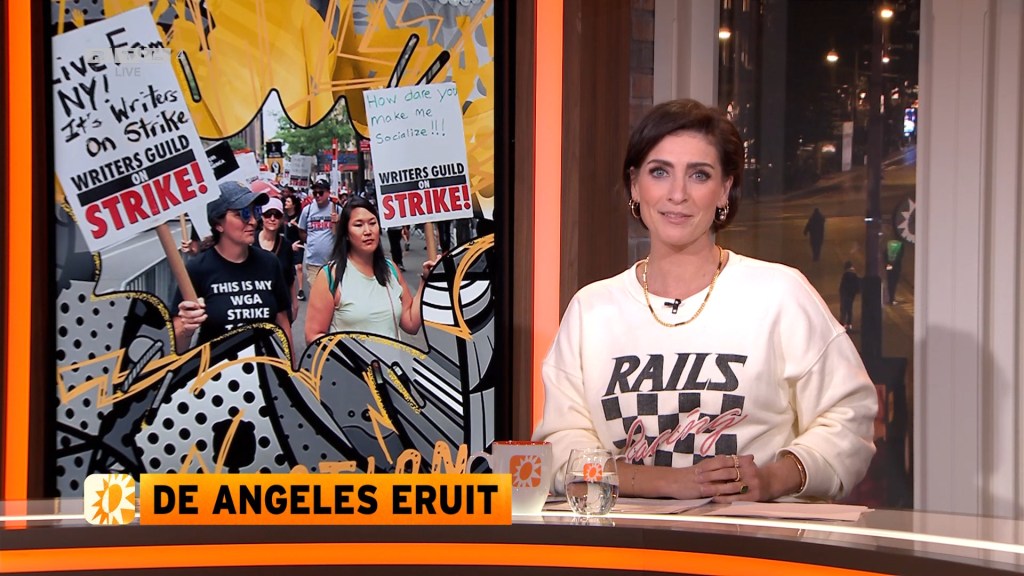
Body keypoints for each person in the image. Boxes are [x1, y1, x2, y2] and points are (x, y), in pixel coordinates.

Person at [532, 99, 877, 503]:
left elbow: (849, 419)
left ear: (724, 189)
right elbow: (562, 451)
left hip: (751, 536)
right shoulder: (591, 310)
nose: (677, 194)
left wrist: (773, 479)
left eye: (699, 175)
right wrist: (672, 482)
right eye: (659, 172)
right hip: (624, 536)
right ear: (635, 185)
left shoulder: (780, 294)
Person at [172, 181, 292, 354]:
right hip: (216, 369)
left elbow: (283, 323)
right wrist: (186, 329)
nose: (253, 221)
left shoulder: (270, 263)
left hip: (265, 367)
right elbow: (177, 346)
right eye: (242, 214)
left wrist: (290, 366)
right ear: (218, 224)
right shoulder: (197, 269)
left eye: (255, 212)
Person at [304, 198, 437, 343]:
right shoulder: (330, 275)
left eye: (372, 223)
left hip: (394, 358)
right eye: (358, 225)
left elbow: (411, 323)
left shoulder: (390, 269)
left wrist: (425, 281)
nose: (367, 231)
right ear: (346, 233)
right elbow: (313, 336)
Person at [298, 177, 339, 305]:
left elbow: (344, 232)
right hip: (313, 263)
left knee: (333, 296)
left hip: (333, 263)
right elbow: (302, 230)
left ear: (328, 192)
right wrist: (311, 242)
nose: (317, 196)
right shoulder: (308, 210)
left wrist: (338, 222)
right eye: (315, 192)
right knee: (317, 297)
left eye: (320, 192)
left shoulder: (336, 209)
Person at [256, 197, 298, 321]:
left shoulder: (286, 245)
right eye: (268, 214)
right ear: (262, 216)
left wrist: (294, 303)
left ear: (282, 218)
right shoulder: (250, 242)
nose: (272, 218)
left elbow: (289, 277)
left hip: (281, 307)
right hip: (256, 307)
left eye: (277, 215)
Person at [282, 195, 305, 300]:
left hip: (298, 242)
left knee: (299, 266)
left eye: (288, 201)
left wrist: (296, 224)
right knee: (287, 267)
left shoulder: (300, 216)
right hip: (286, 244)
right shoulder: (283, 216)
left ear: (294, 204)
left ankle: (300, 290)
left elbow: (304, 230)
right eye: (286, 201)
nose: (286, 203)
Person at [839, 261, 861, 332]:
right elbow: (857, 286)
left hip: (845, 294)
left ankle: (842, 323)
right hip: (851, 294)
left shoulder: (845, 275)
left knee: (843, 309)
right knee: (849, 309)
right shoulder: (854, 274)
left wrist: (841, 292)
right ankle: (849, 324)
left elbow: (842, 286)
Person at [885, 238, 904, 305]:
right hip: (896, 267)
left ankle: (891, 298)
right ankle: (892, 299)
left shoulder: (889, 243)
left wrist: (888, 263)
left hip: (889, 265)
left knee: (890, 281)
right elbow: (901, 256)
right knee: (894, 282)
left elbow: (885, 253)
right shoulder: (900, 244)